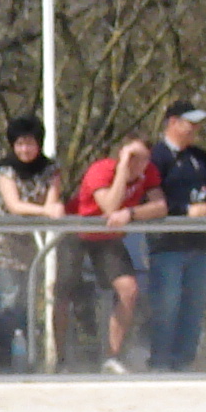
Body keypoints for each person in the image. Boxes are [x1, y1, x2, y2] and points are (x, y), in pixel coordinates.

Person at [67, 135, 164, 371]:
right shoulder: (101, 170)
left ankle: (112, 356)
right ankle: (61, 360)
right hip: (75, 235)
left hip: (107, 239)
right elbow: (109, 206)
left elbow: (160, 207)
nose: (139, 164)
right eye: (133, 157)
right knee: (63, 293)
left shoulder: (148, 172)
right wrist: (122, 169)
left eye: (144, 159)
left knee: (128, 290)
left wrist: (130, 213)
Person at [144, 101, 206, 371]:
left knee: (195, 304)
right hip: (167, 246)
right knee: (167, 305)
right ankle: (160, 362)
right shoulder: (156, 157)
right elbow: (149, 198)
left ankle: (184, 362)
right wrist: (185, 210)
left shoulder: (201, 157)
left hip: (199, 245)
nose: (195, 129)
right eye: (190, 123)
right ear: (173, 123)